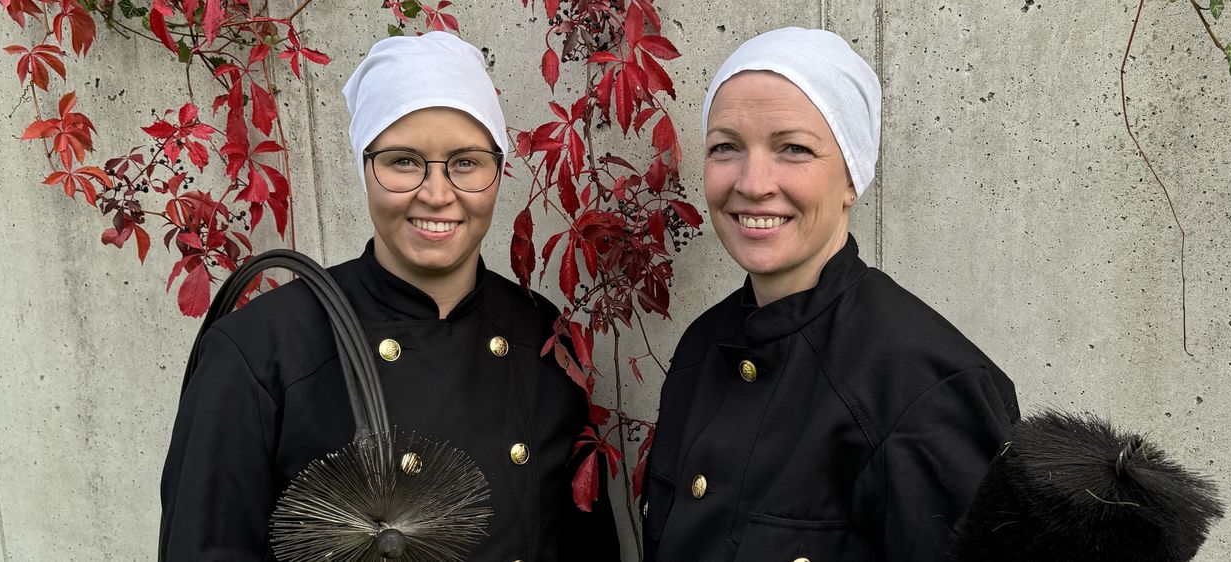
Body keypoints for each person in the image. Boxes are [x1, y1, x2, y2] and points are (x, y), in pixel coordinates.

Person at [159, 32, 618, 561]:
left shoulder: (541, 334)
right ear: (364, 167)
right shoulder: (262, 348)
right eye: (403, 161)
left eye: (466, 162)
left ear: (498, 169)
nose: (437, 194)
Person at [640, 27, 1020, 561]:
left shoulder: (925, 389)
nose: (752, 182)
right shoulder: (701, 347)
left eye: (793, 148)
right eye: (725, 147)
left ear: (852, 176)